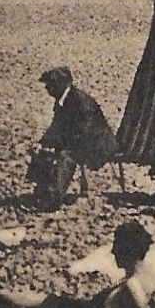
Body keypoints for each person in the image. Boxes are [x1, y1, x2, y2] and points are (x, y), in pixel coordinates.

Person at [32, 66, 117, 209]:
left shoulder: (81, 101)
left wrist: (61, 144)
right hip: (80, 142)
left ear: (61, 85)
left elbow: (86, 131)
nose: (47, 89)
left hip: (97, 145)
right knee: (43, 151)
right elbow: (56, 126)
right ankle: (42, 192)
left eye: (50, 85)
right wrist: (43, 143)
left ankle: (53, 200)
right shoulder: (61, 100)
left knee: (66, 157)